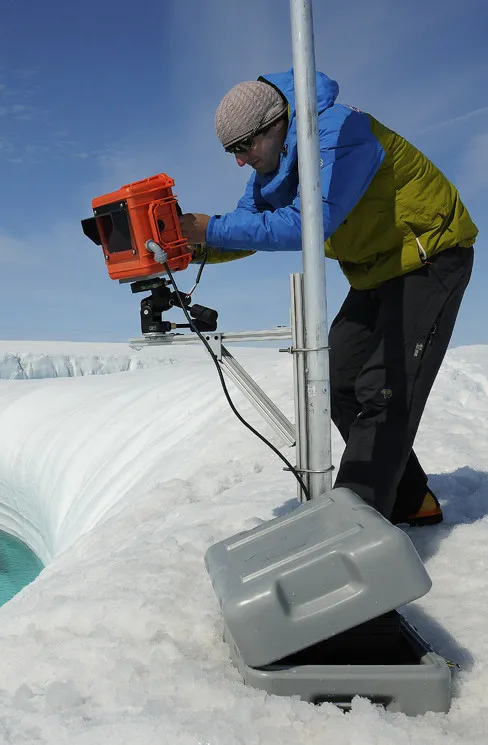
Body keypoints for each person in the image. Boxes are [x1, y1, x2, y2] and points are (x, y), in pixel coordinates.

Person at [179, 69, 478, 526]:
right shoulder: (273, 167)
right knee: (337, 380)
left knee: (383, 389)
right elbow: (245, 228)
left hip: (429, 257)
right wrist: (182, 247)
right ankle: (408, 499)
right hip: (375, 272)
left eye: (244, 146)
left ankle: (353, 533)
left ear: (275, 124)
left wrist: (210, 227)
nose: (240, 160)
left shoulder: (341, 133)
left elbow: (307, 223)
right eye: (231, 151)